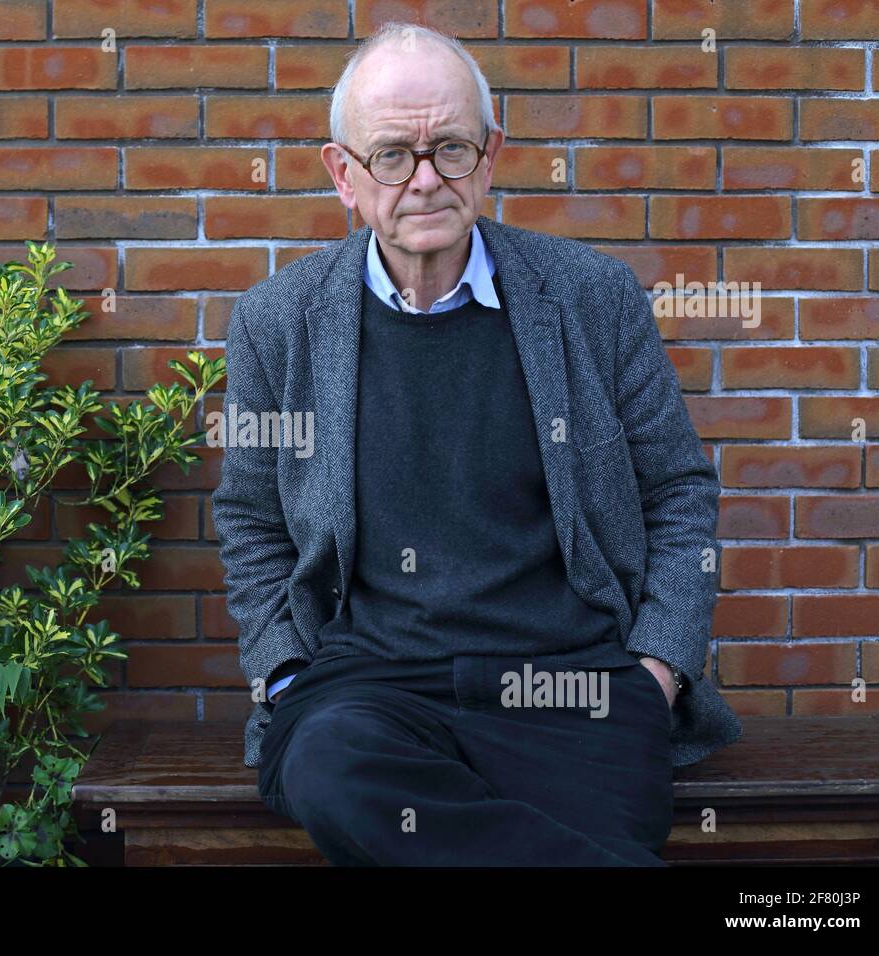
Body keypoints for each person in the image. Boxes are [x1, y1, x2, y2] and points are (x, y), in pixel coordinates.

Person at [211, 20, 742, 866]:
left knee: (599, 823)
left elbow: (678, 492)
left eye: (450, 148)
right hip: (370, 685)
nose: (425, 180)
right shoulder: (278, 321)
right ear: (342, 174)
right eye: (393, 155)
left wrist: (657, 670)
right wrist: (283, 673)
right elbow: (249, 521)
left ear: (490, 155)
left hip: (571, 680)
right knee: (329, 770)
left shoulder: (591, 298)